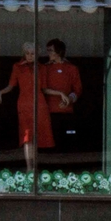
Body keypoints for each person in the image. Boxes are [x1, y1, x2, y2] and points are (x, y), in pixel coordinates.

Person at [0, 43, 53, 172]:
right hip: (24, 105)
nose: (30, 56)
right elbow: (11, 86)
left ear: (37, 55)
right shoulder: (17, 67)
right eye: (27, 53)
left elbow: (44, 89)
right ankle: (29, 168)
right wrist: (0, 93)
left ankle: (35, 168)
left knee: (37, 138)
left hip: (39, 104)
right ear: (24, 54)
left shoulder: (42, 68)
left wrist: (60, 94)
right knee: (27, 137)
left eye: (32, 53)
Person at [42, 39, 83, 168]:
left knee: (67, 141)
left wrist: (69, 99)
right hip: (49, 111)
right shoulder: (45, 68)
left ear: (59, 52)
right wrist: (59, 94)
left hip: (67, 111)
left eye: (51, 50)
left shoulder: (71, 68)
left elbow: (78, 89)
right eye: (48, 50)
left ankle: (67, 169)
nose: (48, 53)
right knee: (51, 143)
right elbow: (42, 89)